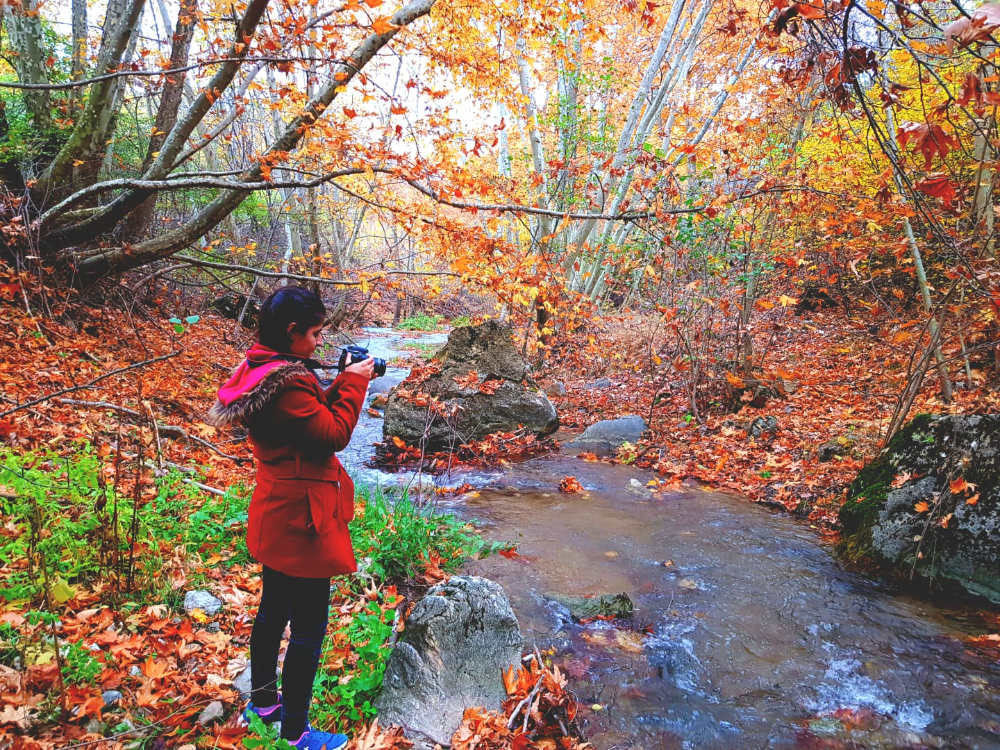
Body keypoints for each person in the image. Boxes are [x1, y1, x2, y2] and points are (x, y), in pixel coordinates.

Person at [207, 286, 375, 750]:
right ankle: (298, 733)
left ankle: (262, 702)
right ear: (292, 331)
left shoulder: (260, 366)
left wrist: (340, 379)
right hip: (303, 520)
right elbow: (333, 433)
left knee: (271, 611)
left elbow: (309, 417)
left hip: (275, 507)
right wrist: (356, 382)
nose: (319, 343)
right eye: (315, 334)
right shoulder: (290, 380)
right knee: (308, 628)